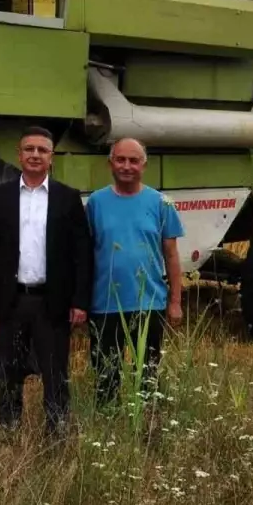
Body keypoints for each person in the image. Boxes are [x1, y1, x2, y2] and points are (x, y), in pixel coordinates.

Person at [0, 126, 93, 436]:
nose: (35, 155)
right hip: (11, 301)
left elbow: (82, 255)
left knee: (55, 372)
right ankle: (7, 429)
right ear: (19, 154)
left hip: (51, 303)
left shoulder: (67, 199)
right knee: (9, 370)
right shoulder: (0, 197)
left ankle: (58, 429)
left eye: (42, 150)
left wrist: (80, 301)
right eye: (29, 149)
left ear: (51, 157)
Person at [85, 137, 185, 408]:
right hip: (105, 303)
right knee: (106, 373)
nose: (126, 166)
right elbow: (85, 255)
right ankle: (106, 426)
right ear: (110, 163)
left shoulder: (161, 204)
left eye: (133, 160)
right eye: (120, 159)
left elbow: (172, 255)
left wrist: (175, 302)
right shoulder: (96, 203)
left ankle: (147, 426)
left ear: (144, 165)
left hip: (148, 302)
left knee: (148, 373)